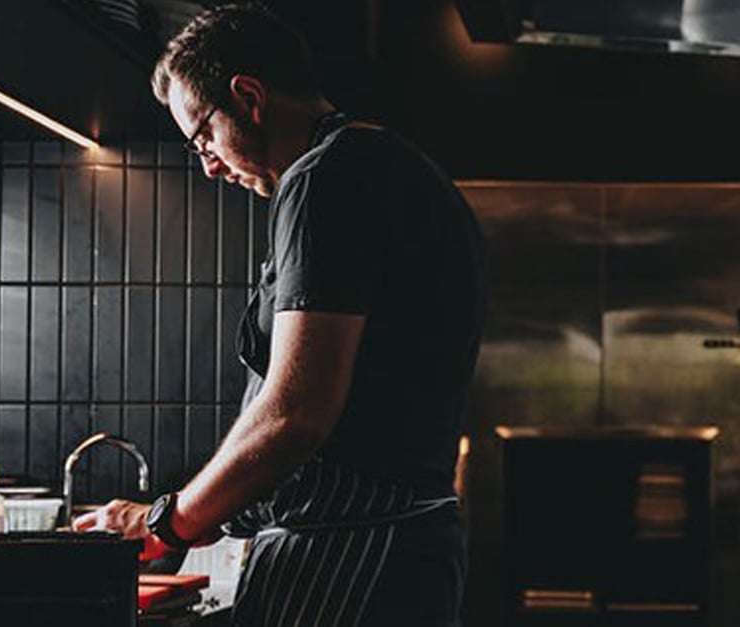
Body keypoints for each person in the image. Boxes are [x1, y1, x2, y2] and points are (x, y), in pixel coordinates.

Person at [72, 4, 487, 626]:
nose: (208, 164)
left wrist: (167, 521)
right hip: (398, 549)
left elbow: (295, 413)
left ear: (249, 96)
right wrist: (217, 514)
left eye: (203, 137)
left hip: (347, 553)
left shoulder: (324, 181)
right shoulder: (389, 167)